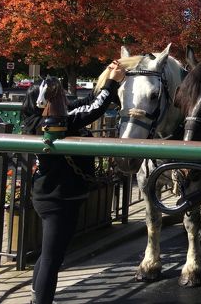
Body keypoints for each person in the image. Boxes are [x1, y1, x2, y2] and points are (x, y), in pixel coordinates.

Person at [21, 62, 125, 304]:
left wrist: (106, 77)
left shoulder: (36, 119)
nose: (65, 99)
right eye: (58, 97)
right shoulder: (55, 123)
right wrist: (112, 85)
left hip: (50, 195)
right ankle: (42, 300)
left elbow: (82, 104)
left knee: (50, 253)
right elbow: (92, 110)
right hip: (58, 197)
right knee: (52, 257)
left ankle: (37, 296)